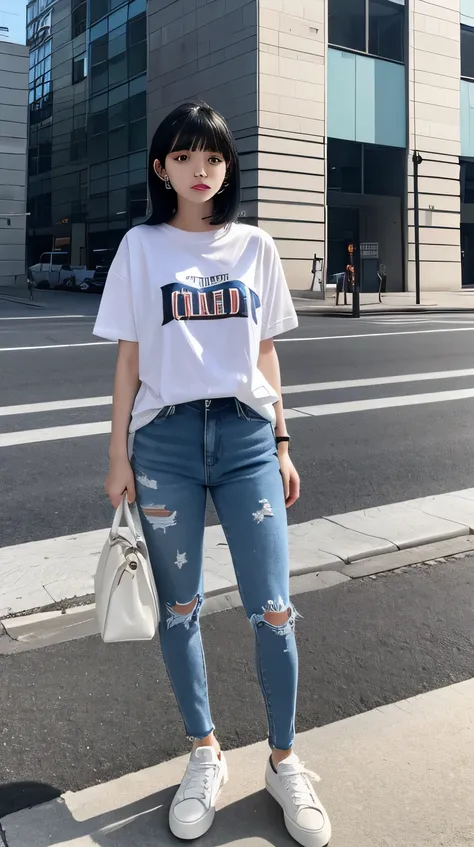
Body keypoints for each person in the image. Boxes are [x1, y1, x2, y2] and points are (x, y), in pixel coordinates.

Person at [93, 101, 331, 847]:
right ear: (161, 166)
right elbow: (129, 359)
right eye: (186, 155)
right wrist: (117, 457)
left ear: (228, 169)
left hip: (245, 439)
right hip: (161, 444)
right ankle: (204, 751)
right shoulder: (140, 247)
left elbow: (265, 353)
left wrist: (284, 442)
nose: (202, 169)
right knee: (180, 608)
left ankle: (285, 759)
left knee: (274, 607)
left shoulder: (255, 246)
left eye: (216, 158)